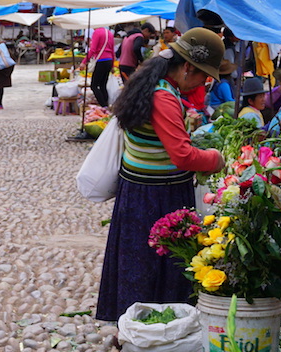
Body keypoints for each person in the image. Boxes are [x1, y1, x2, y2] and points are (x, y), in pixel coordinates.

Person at [95, 27, 227, 322]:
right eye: (203, 76)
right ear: (187, 68)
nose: (204, 83)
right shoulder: (164, 97)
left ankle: (132, 325)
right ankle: (152, 330)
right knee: (156, 264)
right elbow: (182, 155)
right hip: (158, 195)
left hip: (137, 191)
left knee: (137, 262)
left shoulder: (148, 82)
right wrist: (216, 159)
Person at [83, 27, 116, 107]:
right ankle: (107, 105)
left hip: (101, 60)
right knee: (103, 85)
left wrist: (84, 62)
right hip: (109, 60)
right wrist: (112, 65)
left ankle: (103, 106)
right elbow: (112, 50)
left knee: (94, 86)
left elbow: (93, 49)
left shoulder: (97, 33)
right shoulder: (109, 33)